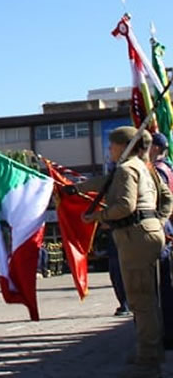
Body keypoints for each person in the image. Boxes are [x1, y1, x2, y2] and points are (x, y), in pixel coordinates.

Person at [72, 126, 171, 376]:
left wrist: (97, 216)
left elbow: (125, 205)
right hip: (147, 234)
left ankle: (147, 359)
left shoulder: (127, 169)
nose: (108, 150)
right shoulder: (144, 167)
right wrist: (157, 220)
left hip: (134, 237)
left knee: (141, 300)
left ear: (121, 146)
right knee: (148, 298)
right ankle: (150, 350)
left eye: (111, 145)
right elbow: (166, 197)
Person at [150, 131, 173, 349]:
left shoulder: (158, 171)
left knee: (160, 286)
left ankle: (166, 333)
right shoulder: (168, 166)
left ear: (156, 148)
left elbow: (159, 200)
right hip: (166, 227)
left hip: (160, 228)